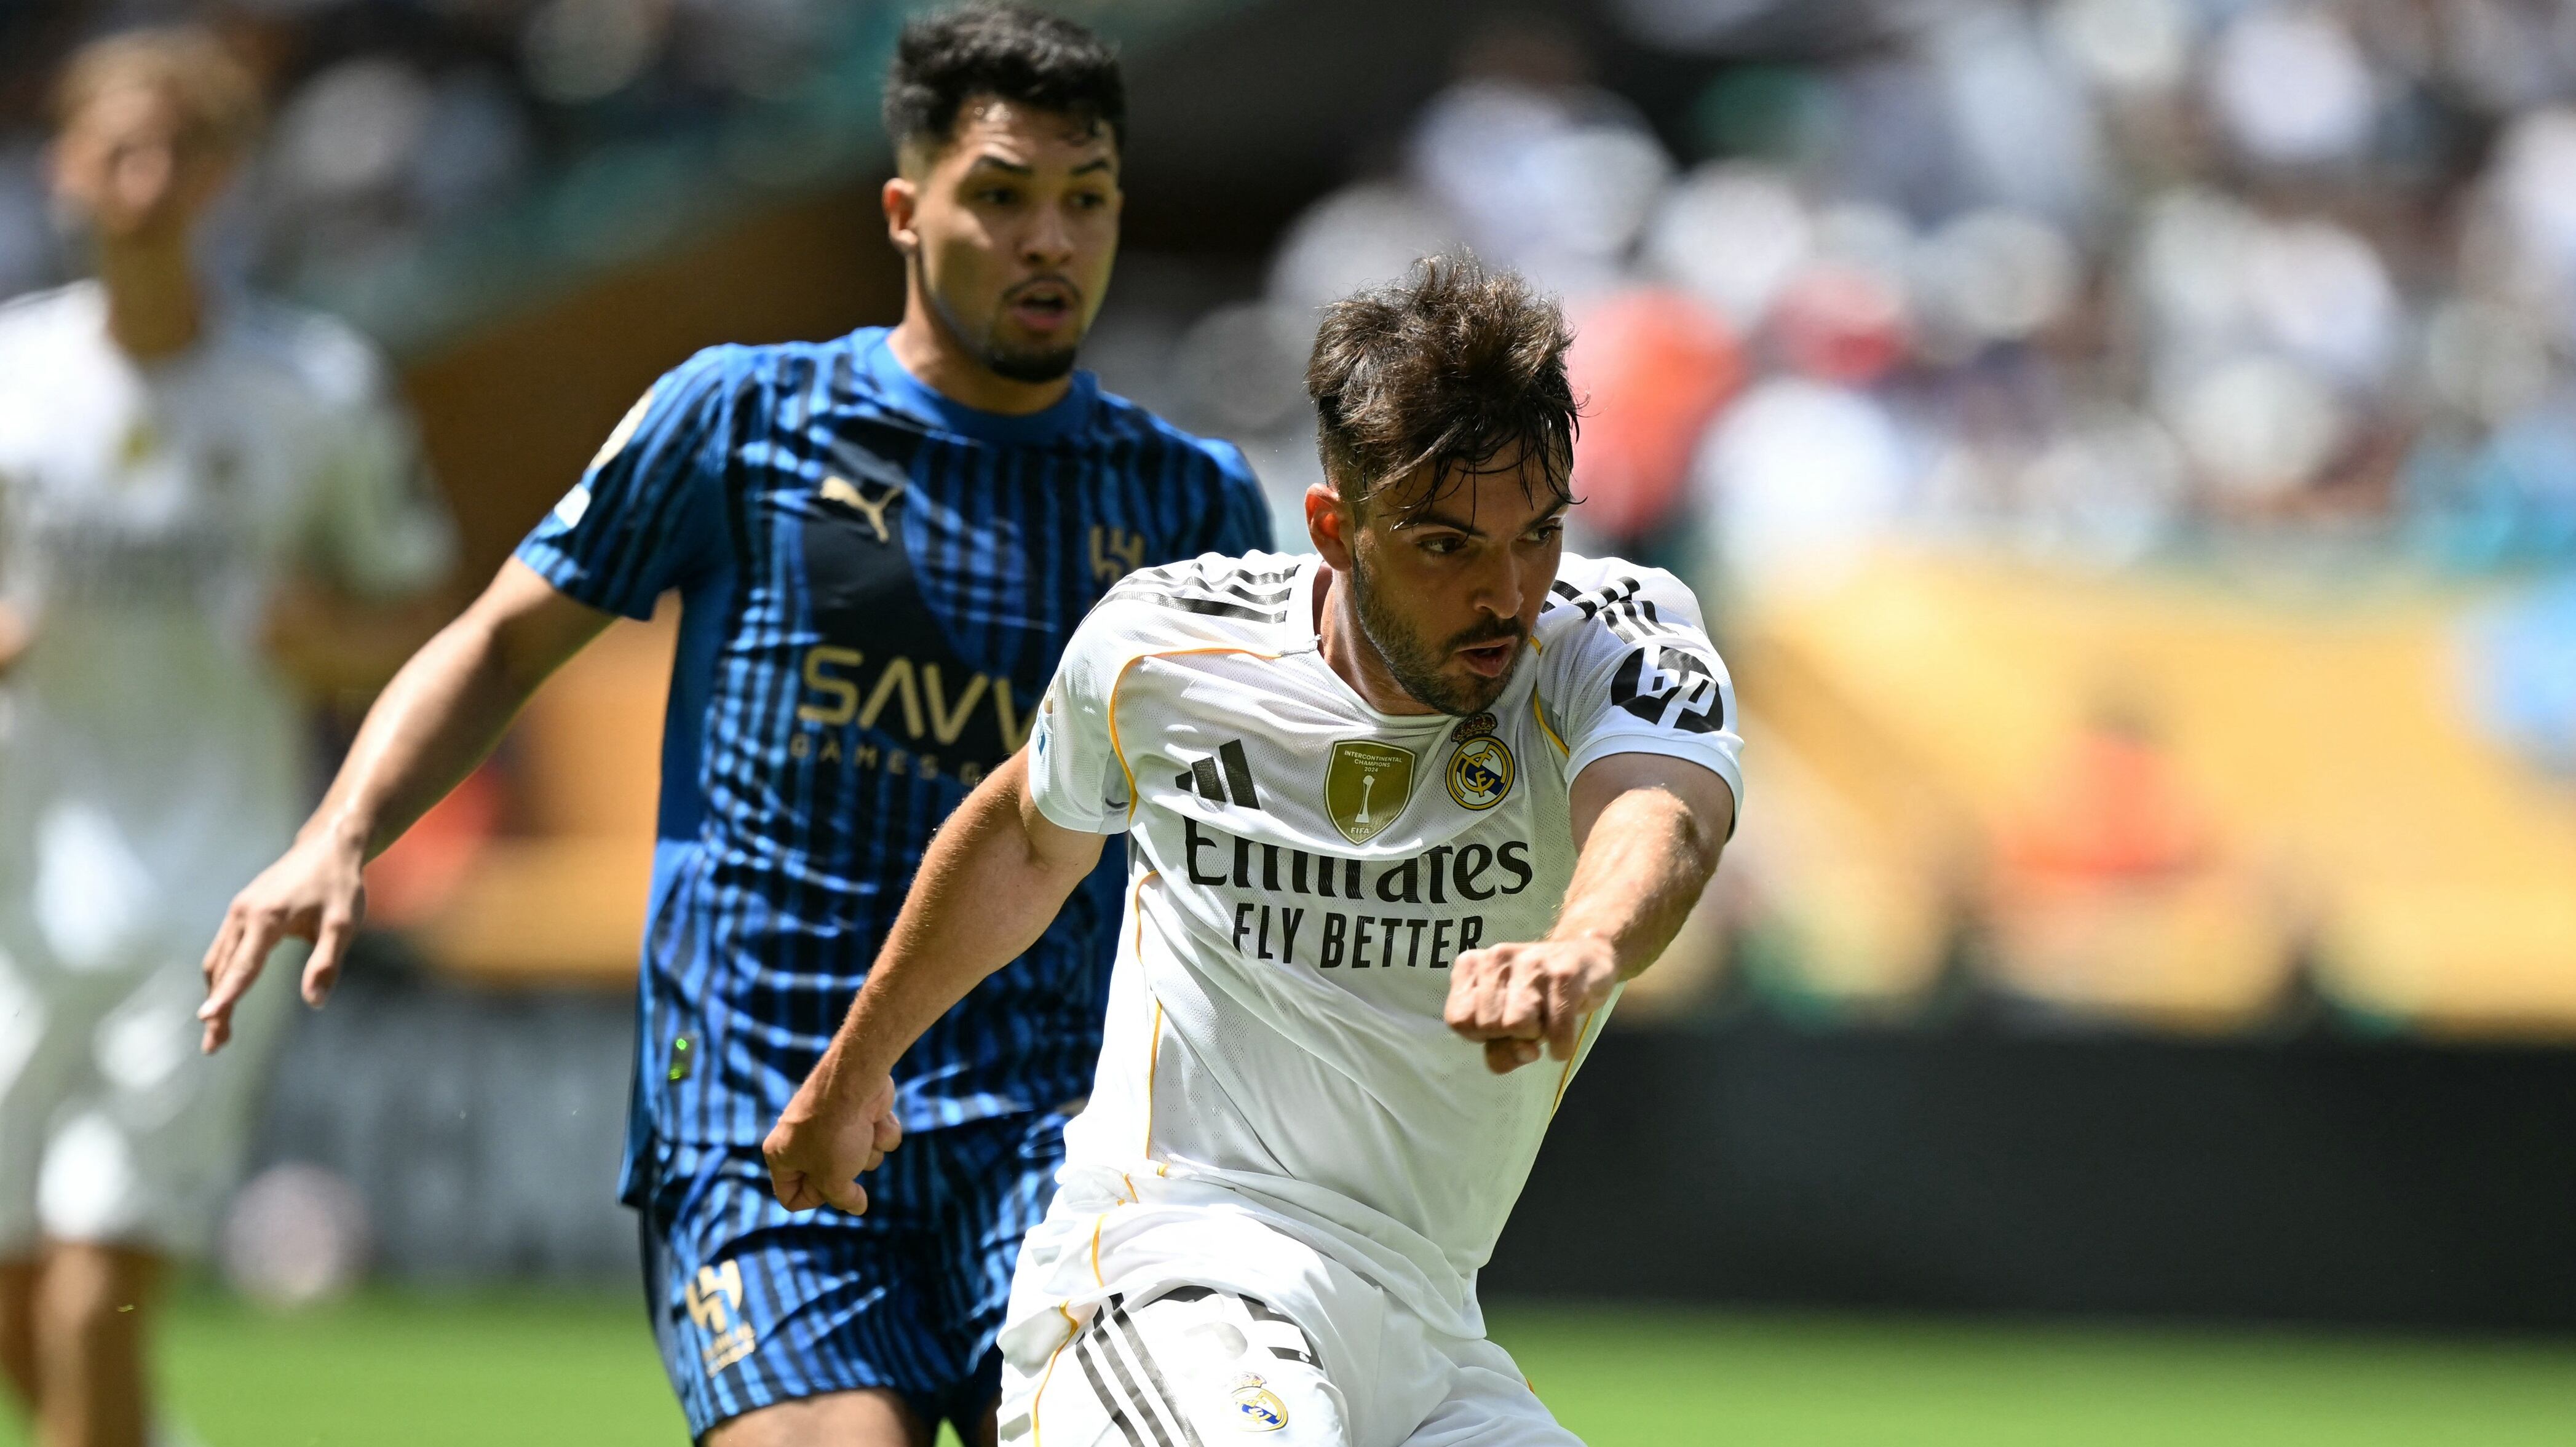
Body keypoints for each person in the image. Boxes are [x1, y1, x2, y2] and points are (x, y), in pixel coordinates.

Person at [197, 5, 1270, 1444]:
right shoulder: (741, 418)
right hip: (766, 1121)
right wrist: (338, 834)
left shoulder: (1192, 501)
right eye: (1002, 197)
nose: (1050, 242)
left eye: (1086, 203)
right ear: (905, 209)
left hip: (1055, 1136)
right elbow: (503, 640)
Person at [763, 253, 1742, 1446]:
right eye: (1444, 545)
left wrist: (1584, 946)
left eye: (1535, 532)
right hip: (1174, 1271)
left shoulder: (1613, 639)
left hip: (1428, 1331)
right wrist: (852, 1069)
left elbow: (1663, 814)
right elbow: (1029, 835)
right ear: (1335, 525)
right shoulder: (1167, 650)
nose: (1505, 592)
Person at [0, 28, 458, 1447]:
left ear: (227, 179)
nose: (143, 182)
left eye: (178, 151)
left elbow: (428, 614)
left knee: (92, 1298)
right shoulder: (14, 375)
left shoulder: (312, 390)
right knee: (26, 1302)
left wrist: (321, 638)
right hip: (16, 897)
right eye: (114, 149)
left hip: (211, 900)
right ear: (62, 167)